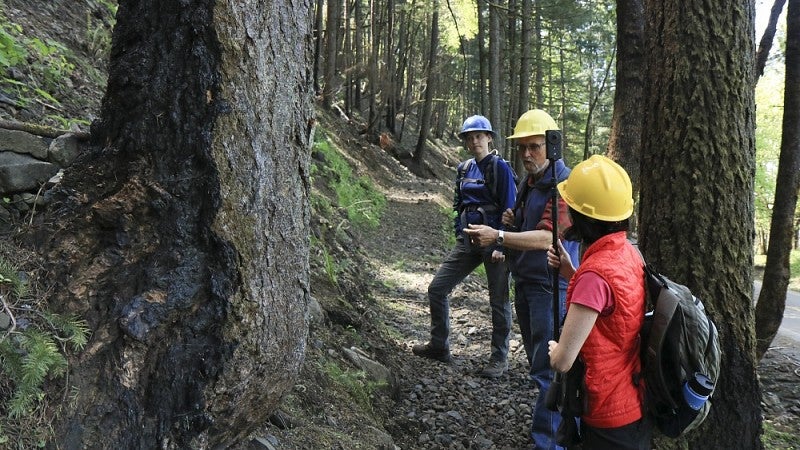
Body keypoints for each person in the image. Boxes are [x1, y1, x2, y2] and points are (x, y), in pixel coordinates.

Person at [464, 109, 580, 449]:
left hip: (550, 288)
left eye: (535, 147)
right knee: (539, 367)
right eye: (523, 148)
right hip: (528, 284)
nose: (527, 154)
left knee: (549, 371)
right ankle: (559, 433)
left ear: (551, 146)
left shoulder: (563, 185)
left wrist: (499, 237)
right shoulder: (528, 182)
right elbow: (523, 227)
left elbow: (548, 238)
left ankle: (548, 443)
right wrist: (510, 232)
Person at [546, 154, 652, 449]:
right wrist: (573, 273)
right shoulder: (628, 253)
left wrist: (554, 351)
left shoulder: (594, 276)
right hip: (635, 400)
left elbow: (564, 361)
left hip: (608, 415)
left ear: (583, 217)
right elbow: (612, 312)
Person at [412, 115, 516, 378]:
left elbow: (510, 208)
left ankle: (499, 358)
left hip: (495, 242)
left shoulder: (499, 168)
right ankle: (439, 346)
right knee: (437, 288)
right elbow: (459, 204)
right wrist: (461, 232)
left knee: (498, 300)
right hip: (468, 241)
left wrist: (502, 246)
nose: (474, 141)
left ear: (489, 138)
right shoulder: (463, 169)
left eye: (479, 136)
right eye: (470, 137)